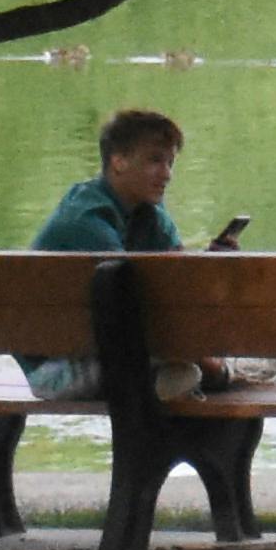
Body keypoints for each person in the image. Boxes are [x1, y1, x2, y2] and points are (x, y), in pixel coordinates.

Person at [22, 110, 192, 399]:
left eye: (170, 162)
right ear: (118, 161)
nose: (166, 174)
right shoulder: (85, 218)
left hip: (112, 350)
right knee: (187, 371)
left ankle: (216, 371)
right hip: (56, 369)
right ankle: (222, 371)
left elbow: (182, 280)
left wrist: (214, 262)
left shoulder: (149, 212)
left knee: (185, 368)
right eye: (155, 160)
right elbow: (129, 295)